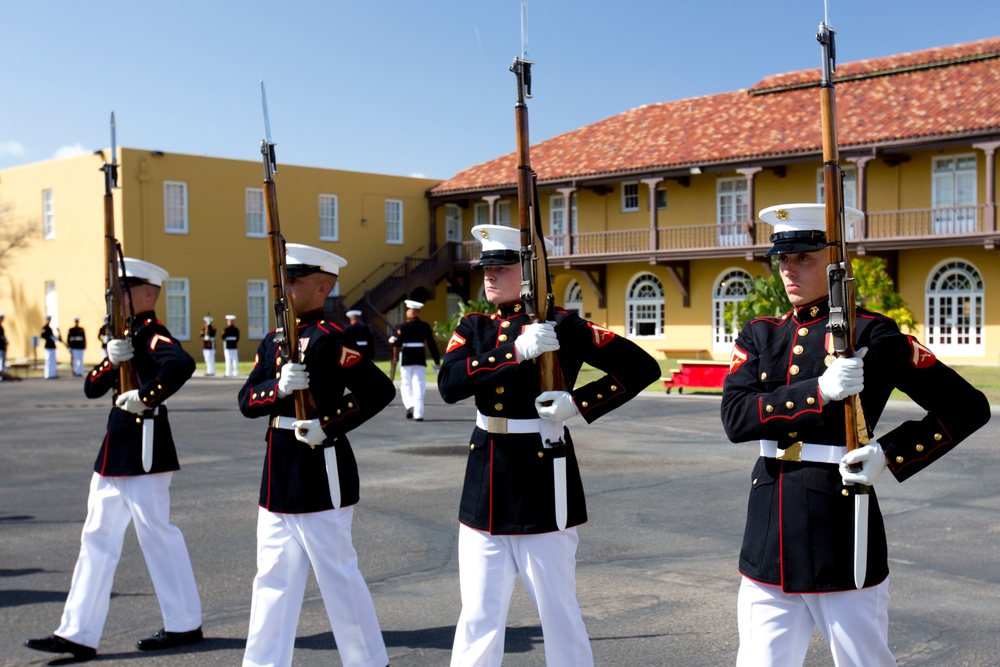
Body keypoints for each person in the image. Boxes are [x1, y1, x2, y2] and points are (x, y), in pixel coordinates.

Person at [720, 203, 992, 667]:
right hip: (768, 533)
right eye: (783, 260)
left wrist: (889, 453)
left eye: (804, 258)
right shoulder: (760, 335)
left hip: (841, 529)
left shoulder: (875, 333)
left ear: (835, 261)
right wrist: (818, 391)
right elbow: (735, 419)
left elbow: (968, 406)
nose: (789, 270)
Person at [438, 224, 661, 666]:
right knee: (478, 615)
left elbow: (642, 367)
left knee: (557, 613)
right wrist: (513, 353)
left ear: (528, 273)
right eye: (486, 267)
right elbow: (449, 385)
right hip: (484, 480)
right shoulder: (474, 326)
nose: (488, 276)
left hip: (542, 479)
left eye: (500, 268)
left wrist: (576, 404)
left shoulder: (563, 325)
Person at [25, 258, 203, 661]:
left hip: (144, 448)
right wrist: (111, 358)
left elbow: (181, 364)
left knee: (156, 535)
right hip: (115, 449)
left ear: (146, 295)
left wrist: (146, 396)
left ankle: (184, 622)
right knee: (96, 539)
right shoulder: (125, 336)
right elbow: (91, 387)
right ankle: (77, 633)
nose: (116, 299)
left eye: (123, 292)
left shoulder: (152, 333)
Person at [238, 243, 394, 667]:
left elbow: (379, 391)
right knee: (271, 580)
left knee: (338, 580)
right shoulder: (273, 340)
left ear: (322, 287)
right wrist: (278, 389)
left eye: (293, 280)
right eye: (282, 280)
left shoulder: (331, 339)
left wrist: (329, 422)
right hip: (278, 474)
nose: (283, 288)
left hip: (319, 469)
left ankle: (367, 662)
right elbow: (246, 400)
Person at [388, 299, 440, 421]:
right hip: (420, 358)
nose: (406, 311)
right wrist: (437, 360)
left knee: (406, 383)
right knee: (419, 385)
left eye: (407, 310)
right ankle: (419, 413)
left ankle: (409, 405)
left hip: (406, 358)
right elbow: (432, 344)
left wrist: (392, 342)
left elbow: (399, 342)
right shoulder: (425, 326)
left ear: (411, 311)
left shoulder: (404, 326)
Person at [41, 314, 59, 379]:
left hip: (52, 346)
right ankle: (48, 374)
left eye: (49, 320)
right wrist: (49, 337)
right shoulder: (44, 328)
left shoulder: (50, 328)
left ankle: (52, 374)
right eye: (48, 319)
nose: (49, 321)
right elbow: (42, 336)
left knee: (53, 360)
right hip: (48, 346)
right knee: (48, 360)